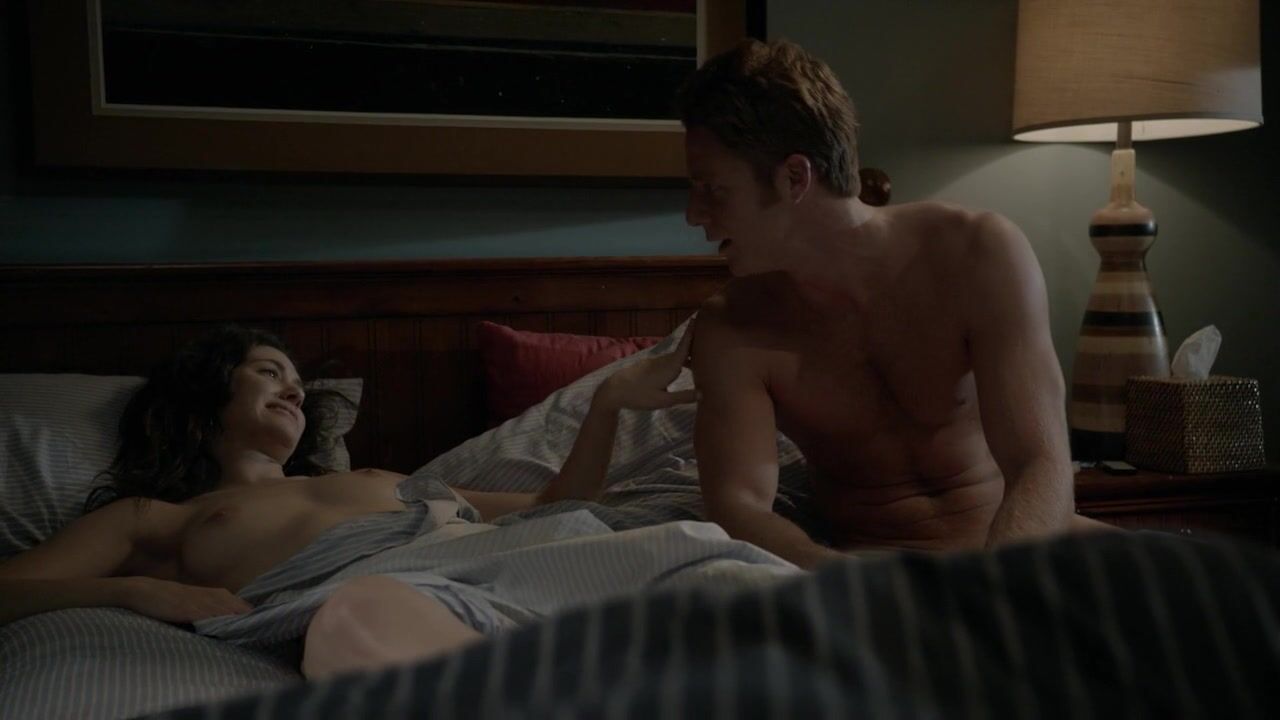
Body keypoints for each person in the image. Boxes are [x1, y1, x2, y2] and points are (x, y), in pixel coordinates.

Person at [0, 324, 697, 677]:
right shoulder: (156, 516)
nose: (294, 390)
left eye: (298, 383)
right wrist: (134, 593)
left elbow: (555, 502)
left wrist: (608, 404)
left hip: (499, 555)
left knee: (688, 554)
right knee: (359, 620)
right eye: (268, 372)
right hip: (375, 595)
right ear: (205, 394)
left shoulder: (376, 477)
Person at [679, 39, 1103, 570]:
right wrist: (852, 579)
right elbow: (739, 508)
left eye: (713, 189)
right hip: (878, 569)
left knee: (1198, 587)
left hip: (1022, 548)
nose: (693, 214)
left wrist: (997, 589)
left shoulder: (978, 253)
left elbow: (1041, 461)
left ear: (794, 178)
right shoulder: (731, 327)